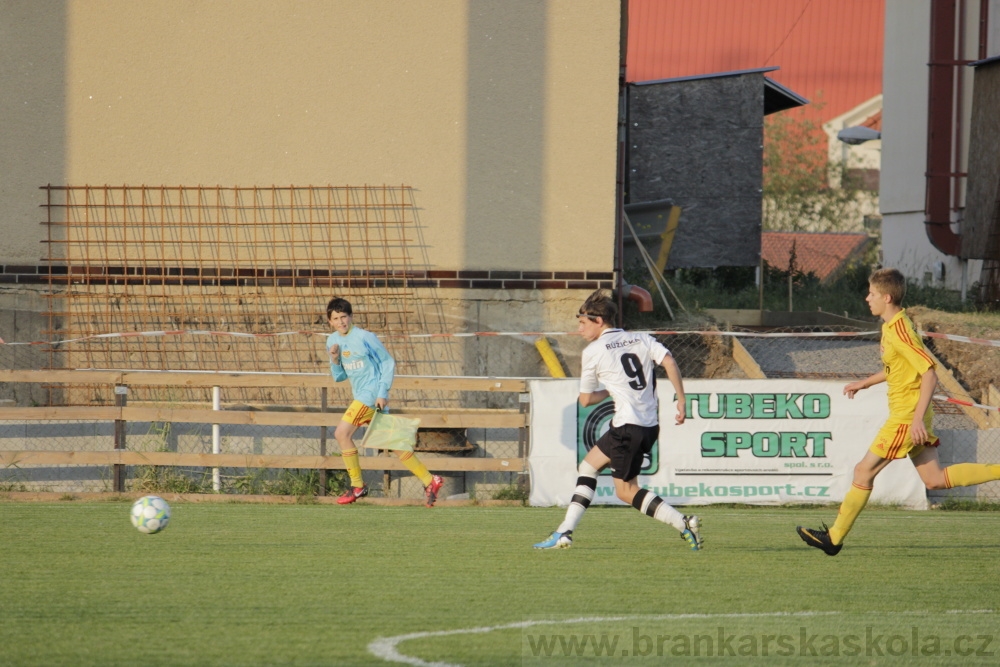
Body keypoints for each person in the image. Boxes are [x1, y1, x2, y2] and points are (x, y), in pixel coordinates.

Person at [797, 268, 1000, 555]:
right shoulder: (891, 326)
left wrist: (916, 419)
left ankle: (834, 537)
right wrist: (865, 383)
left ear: (887, 297)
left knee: (862, 471)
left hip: (906, 417)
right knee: (935, 479)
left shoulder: (901, 329)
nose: (868, 298)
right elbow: (897, 368)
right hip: (911, 415)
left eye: (872, 294)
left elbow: (929, 373)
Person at [533, 289, 702, 550]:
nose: (579, 329)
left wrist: (606, 391)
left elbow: (586, 400)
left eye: (582, 322)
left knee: (626, 491)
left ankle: (683, 523)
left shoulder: (594, 350)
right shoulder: (641, 338)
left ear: (599, 321)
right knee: (588, 467)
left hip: (626, 427)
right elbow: (669, 361)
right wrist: (681, 399)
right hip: (647, 426)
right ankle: (563, 532)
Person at [325, 297, 444, 507]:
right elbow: (339, 376)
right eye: (336, 318)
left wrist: (382, 392)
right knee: (395, 444)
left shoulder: (365, 337)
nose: (341, 322)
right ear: (330, 322)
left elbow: (387, 362)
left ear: (351, 317)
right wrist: (334, 359)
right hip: (362, 395)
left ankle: (357, 486)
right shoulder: (332, 341)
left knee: (341, 433)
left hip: (370, 396)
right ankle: (429, 479)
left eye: (344, 317)